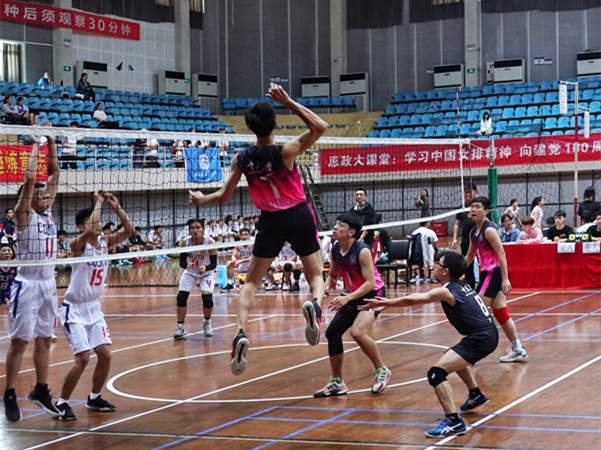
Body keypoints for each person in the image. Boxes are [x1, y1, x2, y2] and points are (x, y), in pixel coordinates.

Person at [189, 83, 328, 376]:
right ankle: (315, 307)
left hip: (270, 221)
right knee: (316, 274)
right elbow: (320, 127)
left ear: (250, 128)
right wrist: (288, 101)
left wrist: (201, 199)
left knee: (251, 283)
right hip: (298, 214)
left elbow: (222, 197)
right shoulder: (285, 152)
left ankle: (240, 333)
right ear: (274, 124)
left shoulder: (242, 159)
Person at [361, 251, 498, 438]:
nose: (434, 266)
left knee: (436, 373)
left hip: (481, 338)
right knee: (452, 356)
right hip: (487, 333)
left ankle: (454, 422)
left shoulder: (446, 290)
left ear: (446, 271)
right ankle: (476, 394)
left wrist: (387, 302)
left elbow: (415, 299)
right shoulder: (462, 285)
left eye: (438, 264)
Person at [55, 190, 135, 420]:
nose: (98, 225)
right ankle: (62, 403)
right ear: (81, 226)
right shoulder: (78, 244)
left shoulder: (104, 243)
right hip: (74, 309)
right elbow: (91, 231)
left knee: (106, 354)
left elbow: (129, 230)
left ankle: (94, 397)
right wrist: (98, 202)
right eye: (93, 221)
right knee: (82, 359)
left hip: (93, 308)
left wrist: (116, 206)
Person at [3, 131, 63, 422]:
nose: (44, 195)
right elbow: (29, 180)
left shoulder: (48, 212)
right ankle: (9, 392)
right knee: (20, 342)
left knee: (45, 340)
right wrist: (36, 144)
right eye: (39, 194)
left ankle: (41, 390)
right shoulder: (24, 215)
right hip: (27, 284)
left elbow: (55, 173)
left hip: (49, 284)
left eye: (46, 193)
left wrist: (52, 142)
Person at [314, 213, 391, 398]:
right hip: (354, 295)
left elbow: (370, 283)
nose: (335, 227)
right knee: (332, 333)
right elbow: (333, 276)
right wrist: (324, 288)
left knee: (357, 332)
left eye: (341, 225)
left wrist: (347, 298)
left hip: (373, 294)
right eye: (336, 224)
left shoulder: (362, 251)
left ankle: (382, 370)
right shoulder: (335, 249)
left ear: (351, 232)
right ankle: (337, 382)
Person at [467, 196, 527, 363]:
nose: (473, 210)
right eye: (472, 207)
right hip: (485, 274)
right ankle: (518, 348)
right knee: (501, 313)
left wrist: (505, 279)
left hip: (493, 273)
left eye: (477, 207)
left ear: (486, 211)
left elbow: (501, 253)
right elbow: (469, 257)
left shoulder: (489, 230)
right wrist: (454, 273)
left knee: (476, 312)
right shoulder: (473, 232)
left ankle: (471, 353)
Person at [174, 219, 217, 340]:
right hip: (191, 271)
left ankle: (207, 322)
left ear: (203, 229)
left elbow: (214, 264)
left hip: (207, 272)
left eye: (198, 228)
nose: (195, 230)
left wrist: (206, 267)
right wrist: (186, 265)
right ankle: (180, 327)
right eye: (192, 228)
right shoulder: (185, 242)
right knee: (181, 297)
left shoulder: (210, 242)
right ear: (189, 230)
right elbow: (182, 262)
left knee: (207, 299)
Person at [452, 183, 478, 289]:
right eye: (466, 192)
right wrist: (455, 239)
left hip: (480, 240)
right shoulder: (461, 208)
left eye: (470, 192)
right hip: (466, 241)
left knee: (484, 263)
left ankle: (484, 287)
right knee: (467, 265)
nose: (468, 194)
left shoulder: (480, 206)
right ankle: (470, 288)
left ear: (476, 193)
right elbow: (457, 224)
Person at [221, 228, 253, 292]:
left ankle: (266, 281)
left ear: (249, 235)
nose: (244, 236)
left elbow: (254, 257)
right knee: (230, 263)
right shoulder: (239, 244)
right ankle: (230, 284)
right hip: (243, 263)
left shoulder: (253, 244)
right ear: (239, 236)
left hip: (252, 263)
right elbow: (233, 255)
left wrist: (241, 261)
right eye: (242, 235)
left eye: (246, 234)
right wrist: (234, 259)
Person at [0, 243, 18, 308]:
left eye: (9, 250)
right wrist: (5, 298)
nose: (7, 252)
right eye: (4, 251)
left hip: (11, 292)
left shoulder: (16, 264)